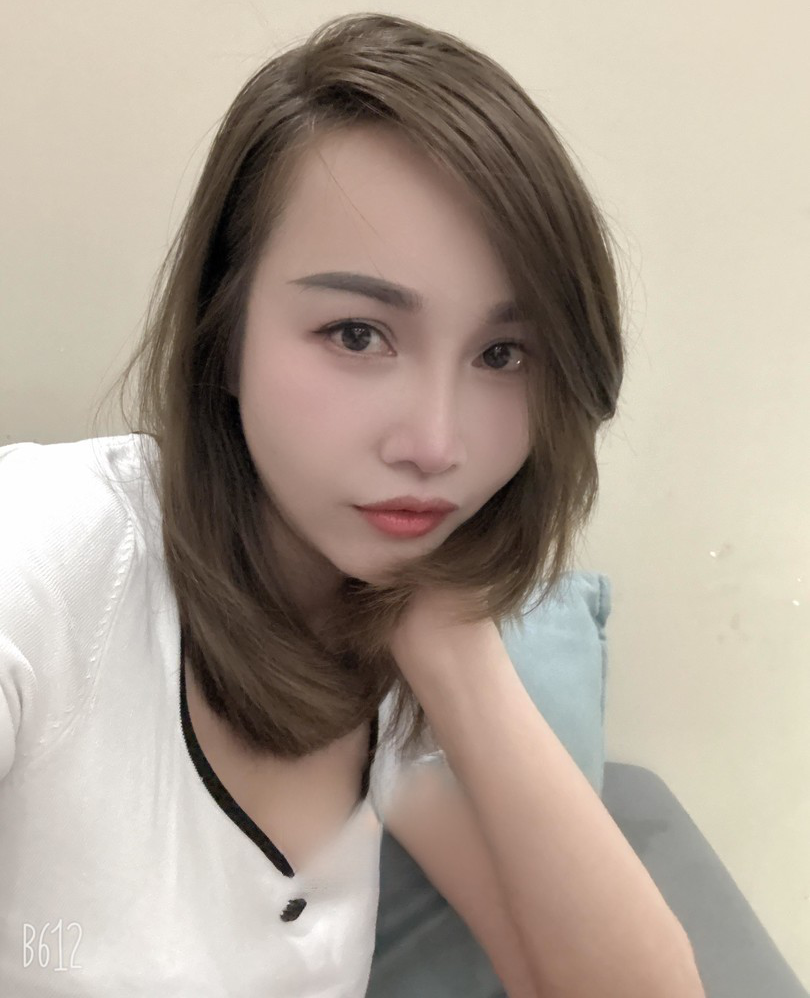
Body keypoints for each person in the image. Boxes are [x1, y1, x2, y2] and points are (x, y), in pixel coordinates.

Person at [0, 11, 625, 995]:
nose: (436, 445)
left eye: (504, 353)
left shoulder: (390, 638)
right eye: (357, 334)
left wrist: (455, 650)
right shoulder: (40, 558)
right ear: (224, 331)